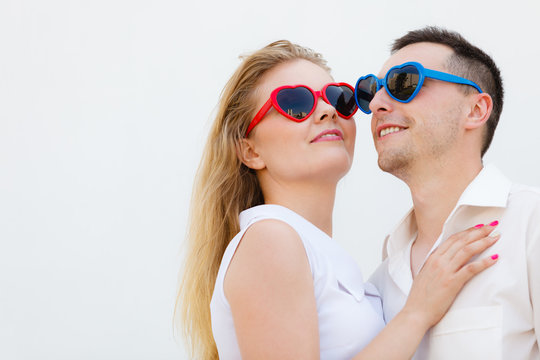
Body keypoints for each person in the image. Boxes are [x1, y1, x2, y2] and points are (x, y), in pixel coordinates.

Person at [176, 40, 499, 360]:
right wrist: (416, 313)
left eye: (338, 98)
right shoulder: (270, 239)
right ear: (251, 151)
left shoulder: (328, 257)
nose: (327, 110)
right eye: (296, 103)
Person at [356, 27, 540, 359]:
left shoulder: (531, 224)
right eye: (371, 92)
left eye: (404, 83)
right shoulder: (381, 280)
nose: (379, 104)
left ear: (476, 110)